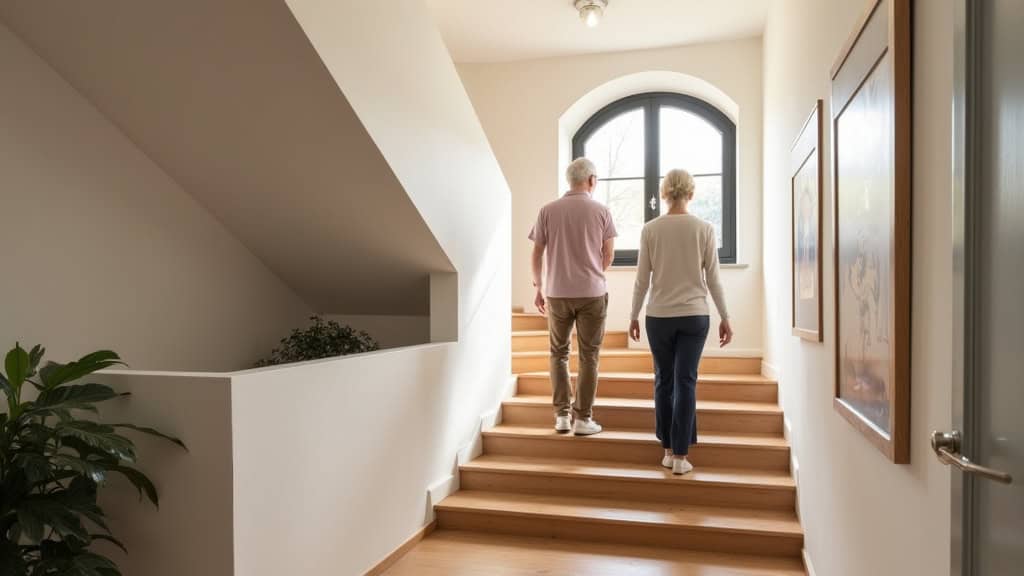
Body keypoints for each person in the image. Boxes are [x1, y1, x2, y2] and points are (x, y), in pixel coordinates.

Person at [629, 169, 733, 475]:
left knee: (664, 380)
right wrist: (726, 316)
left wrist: (633, 315)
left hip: (658, 316)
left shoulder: (650, 229)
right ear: (691, 192)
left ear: (664, 193)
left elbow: (641, 280)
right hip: (694, 316)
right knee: (685, 380)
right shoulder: (704, 228)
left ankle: (666, 449)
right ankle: (681, 457)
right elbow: (713, 279)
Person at [529, 157, 617, 436]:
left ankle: (562, 416)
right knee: (589, 356)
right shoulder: (602, 211)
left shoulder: (548, 211)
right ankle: (583, 419)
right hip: (592, 293)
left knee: (558, 353)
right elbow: (609, 255)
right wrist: (591, 274)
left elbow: (536, 253)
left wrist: (538, 286)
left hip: (557, 293)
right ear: (591, 180)